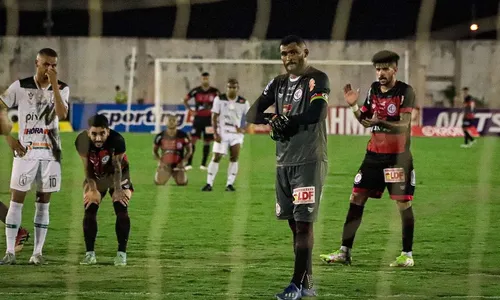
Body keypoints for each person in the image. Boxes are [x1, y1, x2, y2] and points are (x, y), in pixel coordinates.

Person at [246, 35, 330, 300]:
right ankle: (307, 284)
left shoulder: (317, 78)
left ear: (305, 52)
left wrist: (288, 121)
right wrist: (274, 118)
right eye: (284, 54)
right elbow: (252, 114)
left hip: (309, 160)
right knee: (295, 226)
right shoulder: (278, 82)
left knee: (304, 225)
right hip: (283, 162)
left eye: (293, 52)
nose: (288, 58)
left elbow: (317, 113)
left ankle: (295, 284)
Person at [320, 50, 416, 268]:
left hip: (396, 158)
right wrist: (353, 105)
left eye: (385, 69)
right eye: (378, 69)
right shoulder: (373, 89)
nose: (381, 73)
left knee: (403, 203)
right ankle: (344, 252)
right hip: (373, 156)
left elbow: (404, 124)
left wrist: (380, 121)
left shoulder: (405, 92)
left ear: (395, 69)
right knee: (356, 199)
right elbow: (365, 121)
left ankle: (407, 255)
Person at [0, 48, 69, 265]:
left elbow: (61, 114)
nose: (50, 69)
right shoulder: (20, 86)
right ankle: (10, 252)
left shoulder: (63, 88)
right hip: (26, 151)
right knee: (16, 200)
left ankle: (37, 253)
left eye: (54, 65)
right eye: (46, 64)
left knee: (43, 203)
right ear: (36, 63)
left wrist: (55, 85)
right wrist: (8, 137)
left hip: (51, 154)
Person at [75, 114, 132, 266]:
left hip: (119, 174)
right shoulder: (82, 141)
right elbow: (87, 167)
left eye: (102, 133)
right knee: (90, 205)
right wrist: (93, 189)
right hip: (96, 175)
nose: (98, 138)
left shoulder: (117, 140)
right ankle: (90, 255)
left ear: (108, 131)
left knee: (121, 205)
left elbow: (118, 167)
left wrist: (118, 189)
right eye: (94, 134)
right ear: (88, 132)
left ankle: (121, 254)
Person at [202, 78, 250, 192]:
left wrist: (243, 129)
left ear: (237, 89)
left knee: (234, 157)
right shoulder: (219, 99)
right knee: (216, 156)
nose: (231, 89)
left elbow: (250, 117)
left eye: (234, 87)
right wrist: (215, 133)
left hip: (235, 134)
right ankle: (209, 183)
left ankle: (229, 184)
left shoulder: (243, 102)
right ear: (226, 88)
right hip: (222, 132)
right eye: (229, 87)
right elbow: (214, 117)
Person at [183, 72, 220, 170]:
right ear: (201, 79)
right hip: (198, 119)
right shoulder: (196, 91)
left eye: (207, 78)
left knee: (207, 141)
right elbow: (185, 100)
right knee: (193, 140)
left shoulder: (215, 91)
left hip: (209, 120)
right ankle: (189, 163)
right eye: (204, 78)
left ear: (209, 79)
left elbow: (221, 102)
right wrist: (191, 111)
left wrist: (218, 113)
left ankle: (203, 164)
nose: (205, 80)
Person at [153, 114, 192, 186]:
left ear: (177, 122)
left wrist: (183, 162)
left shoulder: (183, 135)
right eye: (169, 120)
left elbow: (189, 151)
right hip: (165, 165)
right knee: (159, 183)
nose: (171, 122)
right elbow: (154, 151)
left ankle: (179, 173)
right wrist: (160, 162)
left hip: (178, 165)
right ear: (165, 122)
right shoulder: (160, 136)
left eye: (173, 120)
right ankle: (162, 172)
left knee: (182, 183)